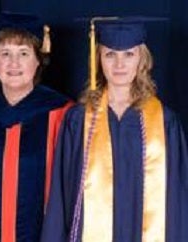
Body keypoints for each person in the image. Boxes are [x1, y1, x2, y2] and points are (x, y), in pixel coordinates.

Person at [41, 17, 188, 241]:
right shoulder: (78, 120)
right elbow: (60, 196)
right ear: (98, 58)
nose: (119, 65)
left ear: (142, 59)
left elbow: (177, 200)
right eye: (110, 54)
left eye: (129, 54)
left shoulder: (166, 123)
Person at [0, 12, 72, 242]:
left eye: (24, 54)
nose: (13, 63)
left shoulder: (62, 113)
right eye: (5, 53)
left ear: (39, 60)